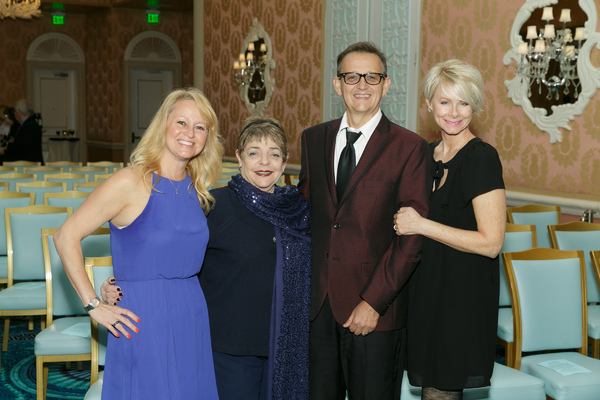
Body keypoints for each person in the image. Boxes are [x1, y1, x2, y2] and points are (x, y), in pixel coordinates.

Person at [103, 115, 312, 400]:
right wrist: (116, 282)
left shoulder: (298, 211)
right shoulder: (211, 205)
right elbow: (166, 252)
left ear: (285, 162)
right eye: (254, 153)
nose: (265, 162)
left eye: (274, 154)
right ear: (239, 157)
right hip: (229, 347)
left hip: (284, 345)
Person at [54, 87, 223, 399]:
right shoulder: (130, 182)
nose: (190, 133)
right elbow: (65, 236)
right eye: (181, 123)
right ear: (163, 125)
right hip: (144, 317)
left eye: (200, 127)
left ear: (207, 137)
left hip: (191, 314)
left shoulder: (197, 189)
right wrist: (94, 304)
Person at [297, 41, 431, 400]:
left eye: (372, 77)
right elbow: (305, 215)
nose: (362, 85)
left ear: (386, 85)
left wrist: (373, 302)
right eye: (351, 76)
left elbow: (411, 239)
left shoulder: (410, 148)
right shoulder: (312, 140)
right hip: (319, 307)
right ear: (337, 84)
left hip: (375, 310)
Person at [393, 59, 506, 400]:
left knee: (442, 390)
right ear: (429, 104)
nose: (454, 111)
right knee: (429, 385)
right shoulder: (423, 156)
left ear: (475, 106)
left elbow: (491, 243)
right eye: (445, 101)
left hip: (462, 298)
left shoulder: (481, 158)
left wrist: (422, 225)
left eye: (464, 102)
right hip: (426, 292)